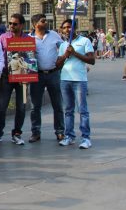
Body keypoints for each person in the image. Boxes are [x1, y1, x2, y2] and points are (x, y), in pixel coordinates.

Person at [56, 19, 95, 149]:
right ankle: (69, 136)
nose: (67, 30)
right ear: (62, 30)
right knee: (68, 110)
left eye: (70, 27)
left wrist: (75, 53)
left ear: (75, 28)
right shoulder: (63, 45)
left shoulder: (85, 41)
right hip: (65, 79)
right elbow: (57, 64)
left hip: (79, 80)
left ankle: (85, 137)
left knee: (82, 110)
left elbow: (91, 60)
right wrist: (65, 55)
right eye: (65, 28)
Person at [0, 13, 31, 146]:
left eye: (14, 24)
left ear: (21, 25)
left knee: (21, 107)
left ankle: (17, 133)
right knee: (1, 107)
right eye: (10, 23)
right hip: (5, 76)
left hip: (22, 77)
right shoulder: (3, 37)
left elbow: (31, 58)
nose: (11, 26)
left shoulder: (28, 38)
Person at [28, 14, 65, 143]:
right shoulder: (28, 39)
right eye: (43, 21)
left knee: (57, 104)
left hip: (53, 73)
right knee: (35, 106)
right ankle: (35, 132)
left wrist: (64, 57)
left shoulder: (54, 35)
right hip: (37, 75)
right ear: (35, 24)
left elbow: (63, 48)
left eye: (46, 20)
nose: (46, 22)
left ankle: (60, 131)